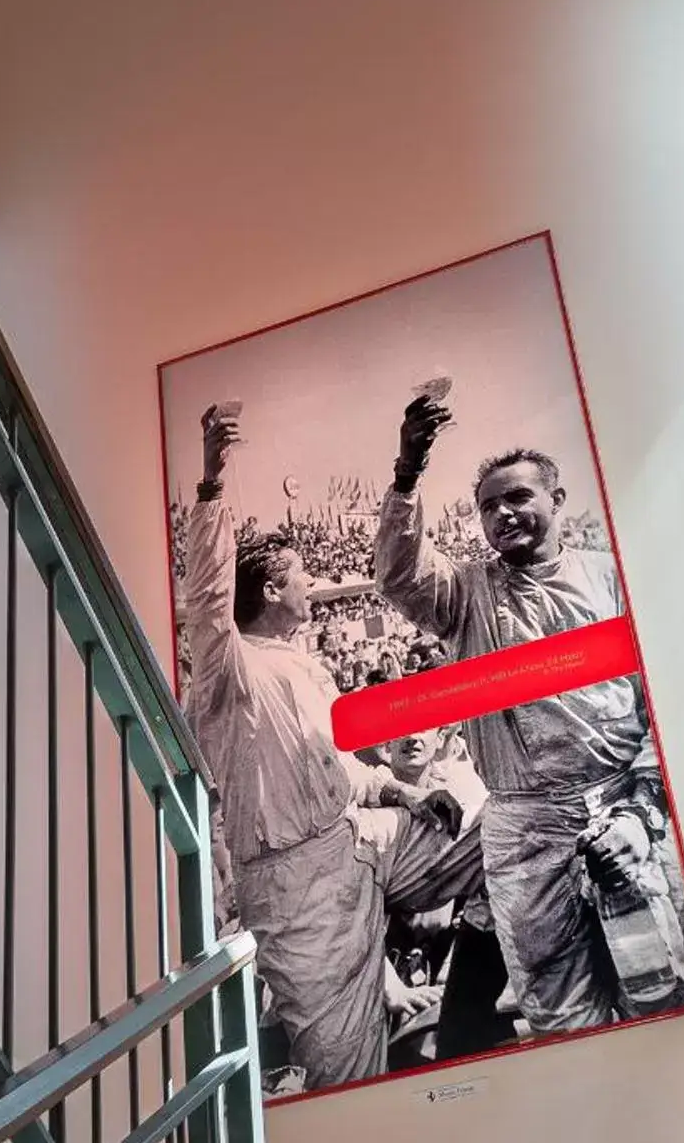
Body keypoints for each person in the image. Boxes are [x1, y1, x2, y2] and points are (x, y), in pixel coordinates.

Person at [179, 404, 484, 1089]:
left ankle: (476, 1003)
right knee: (349, 1072)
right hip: (297, 893)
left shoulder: (300, 663)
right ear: (269, 589)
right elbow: (204, 602)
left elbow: (343, 768)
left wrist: (411, 792)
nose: (313, 583)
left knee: (497, 815)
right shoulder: (233, 671)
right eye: (301, 575)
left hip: (364, 839)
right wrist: (210, 486)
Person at [376, 391, 684, 1032]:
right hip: (524, 831)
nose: (502, 514)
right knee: (560, 1009)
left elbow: (665, 705)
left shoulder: (613, 578)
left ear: (556, 499)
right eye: (488, 506)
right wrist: (407, 473)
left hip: (622, 812)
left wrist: (641, 809)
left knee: (658, 993)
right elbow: (398, 578)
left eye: (518, 497)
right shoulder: (466, 592)